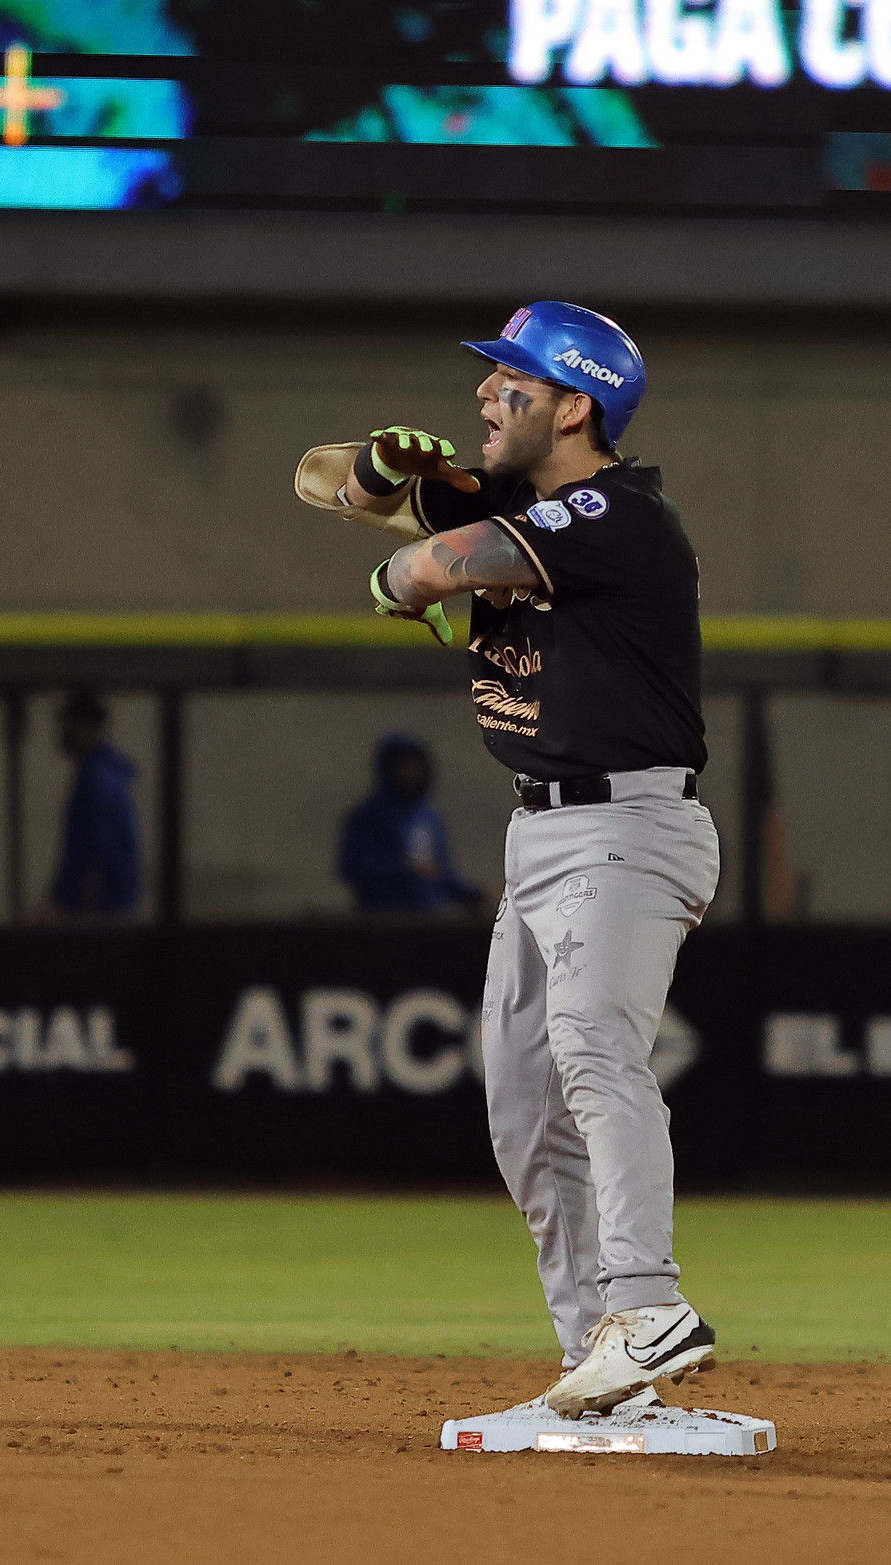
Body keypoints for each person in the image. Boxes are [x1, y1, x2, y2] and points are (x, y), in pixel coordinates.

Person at [307, 302, 721, 1419]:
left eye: (513, 382)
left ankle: (649, 1303)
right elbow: (318, 479)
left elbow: (428, 569)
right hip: (541, 830)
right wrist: (379, 479)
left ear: (574, 403)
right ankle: (604, 1362)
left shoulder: (614, 512)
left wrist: (416, 552)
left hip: (626, 824)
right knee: (526, 1110)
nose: (487, 393)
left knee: (592, 1050)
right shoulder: (532, 504)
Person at [335, 732, 482, 914]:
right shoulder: (367, 816)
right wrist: (402, 869)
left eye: (416, 765)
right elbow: (352, 867)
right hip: (380, 919)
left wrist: (468, 893)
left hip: (427, 918)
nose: (412, 772)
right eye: (405, 766)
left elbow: (441, 872)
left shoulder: (429, 818)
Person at [48, 689, 139, 918]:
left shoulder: (99, 782)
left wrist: (80, 911)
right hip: (100, 909)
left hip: (100, 913)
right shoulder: (98, 776)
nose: (62, 731)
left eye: (67, 723)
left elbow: (99, 856)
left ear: (83, 727)